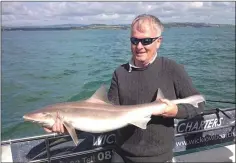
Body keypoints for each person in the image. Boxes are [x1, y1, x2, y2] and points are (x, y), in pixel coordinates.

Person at [44, 14, 205, 163]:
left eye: (146, 41)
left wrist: (174, 111)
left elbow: (198, 105)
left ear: (159, 41)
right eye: (134, 41)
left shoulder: (172, 69)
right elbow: (105, 116)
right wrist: (68, 127)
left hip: (158, 157)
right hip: (122, 155)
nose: (139, 46)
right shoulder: (120, 73)